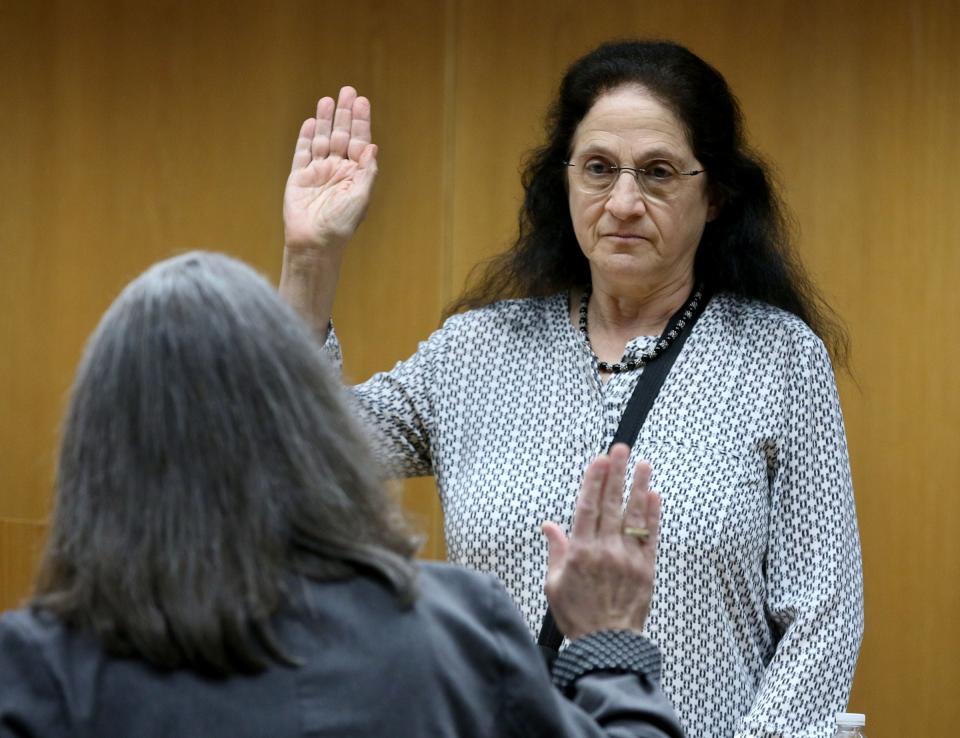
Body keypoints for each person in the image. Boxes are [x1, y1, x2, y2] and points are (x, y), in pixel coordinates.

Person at [278, 39, 864, 738]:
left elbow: (822, 619)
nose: (622, 201)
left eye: (657, 173)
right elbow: (294, 449)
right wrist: (310, 259)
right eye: (597, 169)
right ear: (563, 183)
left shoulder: (777, 357)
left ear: (715, 196)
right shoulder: (478, 351)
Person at [0, 251, 683, 738]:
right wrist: (609, 642)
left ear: (92, 458)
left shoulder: (33, 671)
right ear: (312, 433)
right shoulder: (456, 634)